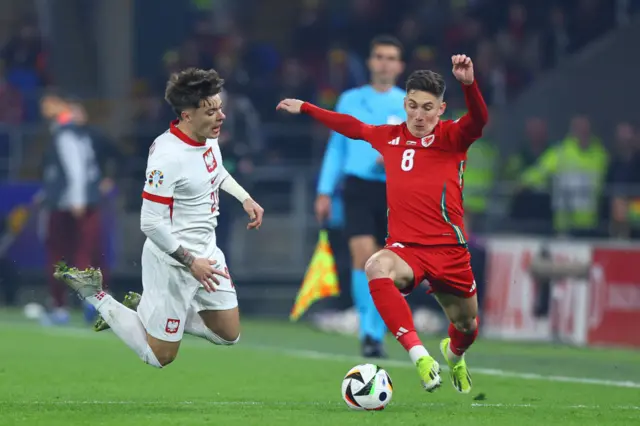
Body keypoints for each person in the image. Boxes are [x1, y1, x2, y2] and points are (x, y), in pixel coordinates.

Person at [276, 55, 488, 394]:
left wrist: (469, 84)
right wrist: (306, 108)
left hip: (450, 251)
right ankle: (419, 356)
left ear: (441, 108)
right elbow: (352, 126)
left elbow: (480, 118)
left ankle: (454, 353)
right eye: (414, 106)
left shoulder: (453, 137)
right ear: (405, 104)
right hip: (407, 249)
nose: (420, 116)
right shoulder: (389, 136)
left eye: (428, 108)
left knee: (466, 325)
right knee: (375, 265)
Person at [54, 68, 264, 368]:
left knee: (229, 335)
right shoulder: (167, 157)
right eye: (211, 111)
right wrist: (191, 262)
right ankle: (96, 294)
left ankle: (148, 311)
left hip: (208, 253)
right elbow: (150, 223)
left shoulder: (208, 136)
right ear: (187, 115)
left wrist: (245, 198)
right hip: (172, 261)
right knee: (160, 357)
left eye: (220, 108)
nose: (221, 117)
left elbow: (215, 170)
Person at [315, 35, 406, 358]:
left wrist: (394, 156)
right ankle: (368, 333)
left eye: (391, 57)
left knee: (385, 265)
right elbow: (336, 148)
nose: (384, 62)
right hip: (356, 186)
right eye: (379, 56)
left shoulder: (409, 104)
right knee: (362, 255)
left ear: (399, 65)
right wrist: (324, 191)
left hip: (394, 190)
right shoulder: (350, 100)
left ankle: (376, 330)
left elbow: (420, 150)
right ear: (370, 62)